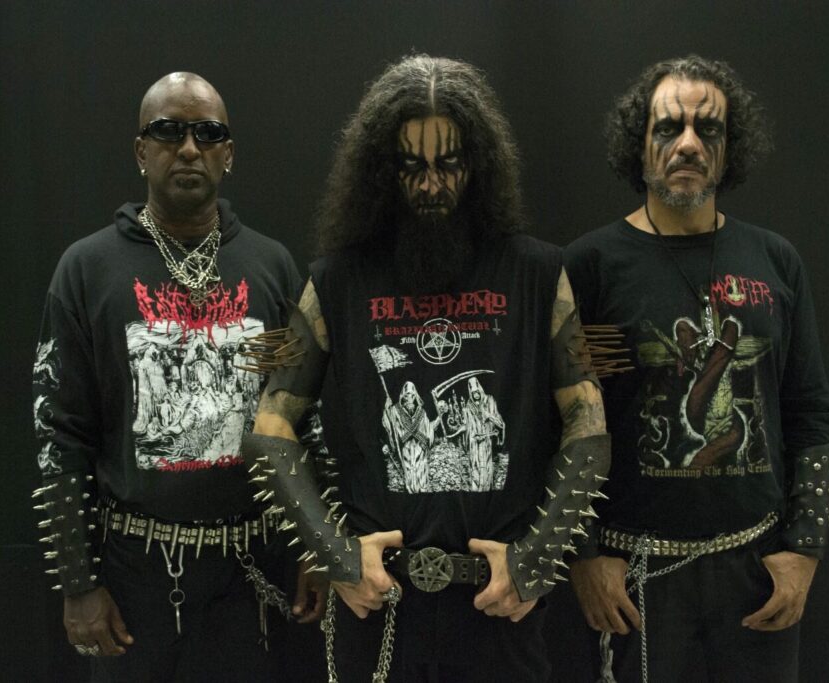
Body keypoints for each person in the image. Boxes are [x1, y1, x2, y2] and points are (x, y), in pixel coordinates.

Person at [240, 53, 613, 683]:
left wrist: (537, 562)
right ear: (382, 171)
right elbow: (271, 430)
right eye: (411, 166)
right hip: (380, 607)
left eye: (449, 164)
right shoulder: (335, 282)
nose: (432, 185)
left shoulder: (539, 274)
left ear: (479, 165)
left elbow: (589, 424)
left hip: (499, 611)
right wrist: (336, 556)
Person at [31, 72, 325, 681]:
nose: (189, 147)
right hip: (132, 575)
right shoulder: (86, 269)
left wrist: (316, 547)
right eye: (168, 131)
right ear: (142, 151)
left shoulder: (271, 265)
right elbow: (59, 433)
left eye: (207, 133)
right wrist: (78, 583)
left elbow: (306, 418)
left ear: (229, 154)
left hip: (251, 573)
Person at [564, 55, 829, 683]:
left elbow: (811, 413)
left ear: (728, 146)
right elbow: (567, 422)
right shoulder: (592, 267)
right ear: (641, 146)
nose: (687, 143)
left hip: (755, 571)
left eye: (707, 129)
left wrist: (803, 549)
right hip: (635, 575)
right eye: (668, 128)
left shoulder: (775, 261)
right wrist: (583, 555)